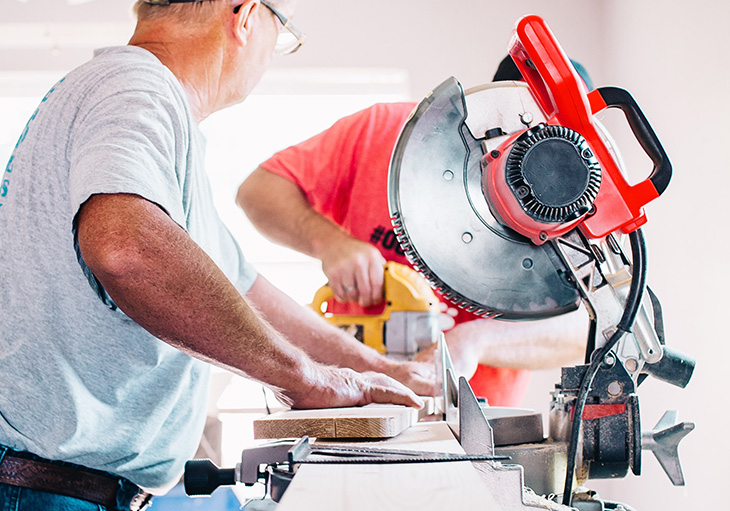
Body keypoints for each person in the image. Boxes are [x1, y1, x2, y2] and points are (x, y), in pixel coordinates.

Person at [0, 1, 433, 509]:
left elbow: (248, 291)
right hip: (46, 489)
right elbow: (126, 248)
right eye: (283, 33)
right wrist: (300, 376)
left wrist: (374, 369)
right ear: (246, 17)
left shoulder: (138, 109)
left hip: (61, 487)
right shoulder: (136, 85)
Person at [237, 56, 592, 406]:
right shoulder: (384, 131)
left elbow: (586, 328)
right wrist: (329, 242)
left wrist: (475, 340)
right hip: (351, 397)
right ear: (489, 104)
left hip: (475, 421)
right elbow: (258, 191)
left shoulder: (575, 205)